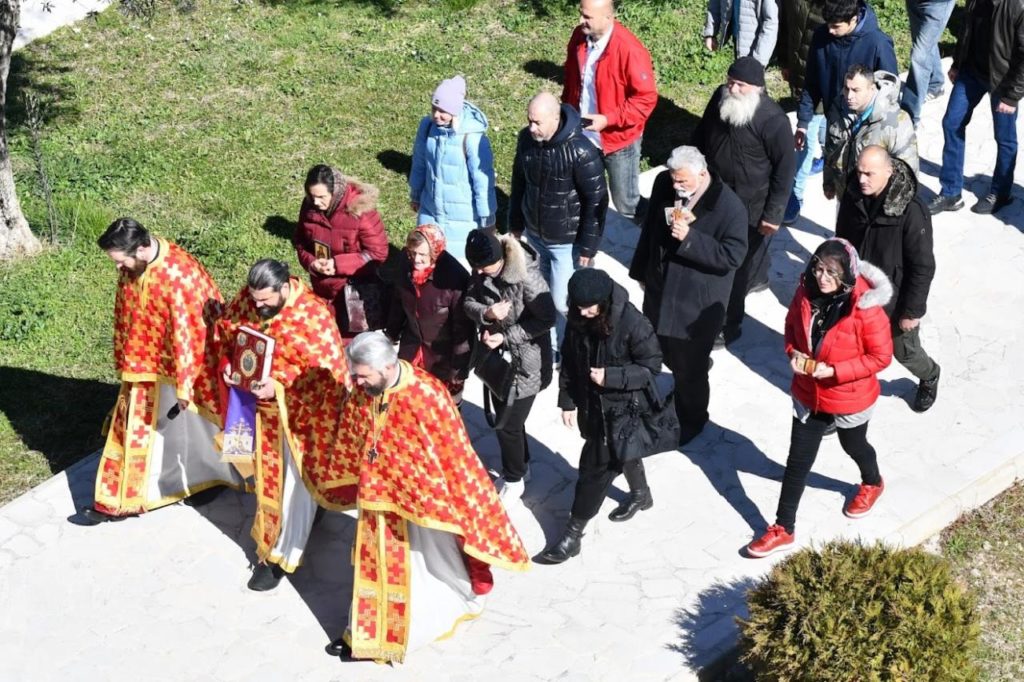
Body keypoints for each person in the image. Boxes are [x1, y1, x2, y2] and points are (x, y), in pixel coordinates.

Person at [320, 332, 530, 663]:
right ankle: (364, 633)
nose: (357, 382)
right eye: (355, 374)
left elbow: (452, 455)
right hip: (376, 499)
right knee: (373, 566)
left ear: (387, 367)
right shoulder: (365, 389)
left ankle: (402, 634)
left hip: (417, 505)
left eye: (363, 375)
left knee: (417, 571)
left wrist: (412, 485)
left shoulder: (426, 394)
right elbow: (355, 430)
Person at [78, 218, 244, 525]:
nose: (118, 268)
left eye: (120, 260)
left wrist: (184, 385)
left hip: (186, 367)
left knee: (194, 427)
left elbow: (190, 334)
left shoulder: (178, 276)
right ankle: (123, 499)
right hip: (144, 363)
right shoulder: (133, 267)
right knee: (145, 429)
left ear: (141, 249)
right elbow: (124, 309)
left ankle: (205, 479)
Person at [747, 239, 892, 557]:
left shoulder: (866, 308)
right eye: (818, 268)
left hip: (848, 394)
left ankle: (872, 481)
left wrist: (836, 371)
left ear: (848, 276)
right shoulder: (804, 292)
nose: (822, 277)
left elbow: (881, 357)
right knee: (797, 461)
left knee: (853, 445)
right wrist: (793, 354)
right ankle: (783, 528)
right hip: (808, 392)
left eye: (832, 272)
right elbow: (790, 328)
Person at [218, 259, 350, 591]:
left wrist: (276, 386)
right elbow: (229, 329)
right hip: (255, 413)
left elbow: (326, 375)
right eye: (254, 299)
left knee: (291, 489)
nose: (256, 306)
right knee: (265, 483)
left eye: (264, 300)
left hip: (298, 421)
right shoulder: (251, 300)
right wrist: (230, 365)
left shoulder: (313, 317)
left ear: (284, 288)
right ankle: (278, 538)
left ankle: (280, 556)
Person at [539, 269, 663, 564]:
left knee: (593, 470)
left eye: (589, 307)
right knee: (622, 451)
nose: (583, 312)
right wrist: (567, 400)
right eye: (578, 306)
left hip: (623, 408)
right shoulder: (579, 317)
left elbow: (652, 367)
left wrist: (612, 377)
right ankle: (641, 494)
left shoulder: (633, 323)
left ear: (604, 301)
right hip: (591, 406)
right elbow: (569, 359)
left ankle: (572, 536)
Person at [629, 146, 747, 445]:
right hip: (660, 291)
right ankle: (685, 376)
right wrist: (642, 271)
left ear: (703, 174)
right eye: (673, 180)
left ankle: (692, 419)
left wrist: (691, 240)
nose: (676, 186)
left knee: (690, 370)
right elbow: (651, 232)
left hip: (695, 306)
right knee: (660, 348)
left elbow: (732, 255)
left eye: (683, 181)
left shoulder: (729, 207)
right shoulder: (664, 185)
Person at [692, 57, 797, 347]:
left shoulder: (773, 121)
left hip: (751, 207)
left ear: (757, 88)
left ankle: (730, 324)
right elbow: (702, 134)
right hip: (714, 195)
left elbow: (785, 171)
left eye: (740, 85)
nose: (732, 88)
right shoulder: (720, 97)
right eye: (730, 81)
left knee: (734, 272)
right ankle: (759, 276)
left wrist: (774, 215)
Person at [837, 146, 940, 412]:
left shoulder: (911, 210)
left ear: (888, 171)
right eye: (859, 172)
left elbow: (922, 266)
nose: (862, 180)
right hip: (860, 294)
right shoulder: (853, 195)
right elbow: (843, 243)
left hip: (895, 300)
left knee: (904, 351)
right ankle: (847, 403)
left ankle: (929, 375)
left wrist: (912, 311)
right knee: (853, 350)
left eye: (869, 174)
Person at [509, 91, 607, 357]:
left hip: (566, 242)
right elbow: (519, 183)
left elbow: (596, 200)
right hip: (536, 236)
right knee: (539, 297)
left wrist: (588, 248)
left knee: (563, 302)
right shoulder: (526, 141)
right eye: (529, 120)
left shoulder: (581, 151)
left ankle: (573, 349)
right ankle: (550, 347)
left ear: (555, 118)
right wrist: (516, 225)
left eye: (537, 122)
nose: (531, 127)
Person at [463, 229, 556, 500]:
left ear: (501, 258)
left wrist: (506, 335)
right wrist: (486, 314)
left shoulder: (527, 277)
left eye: (485, 267)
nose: (480, 273)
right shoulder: (481, 270)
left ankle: (514, 478)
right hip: (497, 361)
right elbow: (468, 302)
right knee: (506, 413)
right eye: (476, 268)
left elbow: (547, 319)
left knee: (507, 424)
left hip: (527, 363)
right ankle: (522, 463)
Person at [789, 0, 898, 223]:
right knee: (842, 191)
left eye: (836, 26)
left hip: (869, 130)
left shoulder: (877, 43)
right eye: (828, 24)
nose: (830, 30)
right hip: (836, 126)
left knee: (865, 188)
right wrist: (803, 122)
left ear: (854, 19)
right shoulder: (822, 37)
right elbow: (812, 83)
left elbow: (891, 90)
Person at [562, 0, 657, 223]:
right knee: (584, 193)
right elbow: (572, 79)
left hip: (617, 140)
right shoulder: (579, 37)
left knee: (626, 202)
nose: (580, 21)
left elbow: (646, 98)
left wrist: (609, 119)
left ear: (608, 17)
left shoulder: (629, 50)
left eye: (587, 17)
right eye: (580, 14)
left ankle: (653, 232)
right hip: (584, 134)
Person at [929, 0, 1024, 216]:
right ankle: (951, 192)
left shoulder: (1018, 6)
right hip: (971, 73)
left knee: (1004, 137)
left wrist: (1012, 96)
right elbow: (966, 32)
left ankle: (1001, 191)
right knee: (951, 123)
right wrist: (957, 64)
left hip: (1002, 80)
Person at [293, 164, 390, 338]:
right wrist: (311, 262)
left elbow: (378, 253)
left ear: (335, 192)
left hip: (354, 295)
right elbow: (300, 242)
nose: (316, 202)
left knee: (353, 343)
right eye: (311, 196)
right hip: (322, 290)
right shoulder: (309, 207)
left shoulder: (360, 212)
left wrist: (338, 265)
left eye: (321, 197)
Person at [409, 75, 497, 265]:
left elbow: (483, 182)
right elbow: (419, 164)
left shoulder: (472, 139)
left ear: (455, 111)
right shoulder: (427, 129)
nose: (436, 115)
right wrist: (415, 194)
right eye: (434, 108)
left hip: (463, 218)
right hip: (430, 210)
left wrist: (487, 218)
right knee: (428, 262)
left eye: (443, 111)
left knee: (459, 269)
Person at [385, 224, 475, 401]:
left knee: (443, 409)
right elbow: (398, 301)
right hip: (412, 349)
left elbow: (463, 330)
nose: (416, 260)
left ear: (435, 252)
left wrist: (458, 369)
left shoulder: (455, 278)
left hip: (442, 357)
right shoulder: (406, 263)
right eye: (413, 253)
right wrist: (391, 332)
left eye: (422, 255)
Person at [824, 66, 919, 202]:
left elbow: (908, 173)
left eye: (856, 90)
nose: (849, 96)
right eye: (846, 88)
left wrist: (892, 211)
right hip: (845, 196)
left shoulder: (896, 121)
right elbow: (830, 149)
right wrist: (828, 181)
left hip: (875, 204)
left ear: (872, 89)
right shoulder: (838, 108)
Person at [778, 0, 827, 225]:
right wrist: (785, 61)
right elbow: (786, 26)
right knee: (818, 128)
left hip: (822, 82)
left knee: (805, 138)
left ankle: (795, 197)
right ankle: (827, 156)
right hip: (799, 75)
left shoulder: (836, 5)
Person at [902, 0, 956, 127]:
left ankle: (907, 118)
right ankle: (935, 83)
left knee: (919, 58)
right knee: (925, 45)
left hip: (938, 5)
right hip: (914, 2)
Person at [703, 0, 780, 67]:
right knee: (740, 79)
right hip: (737, 39)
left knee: (750, 80)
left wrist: (759, 60)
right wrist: (711, 33)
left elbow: (771, 23)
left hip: (757, 44)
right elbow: (714, 4)